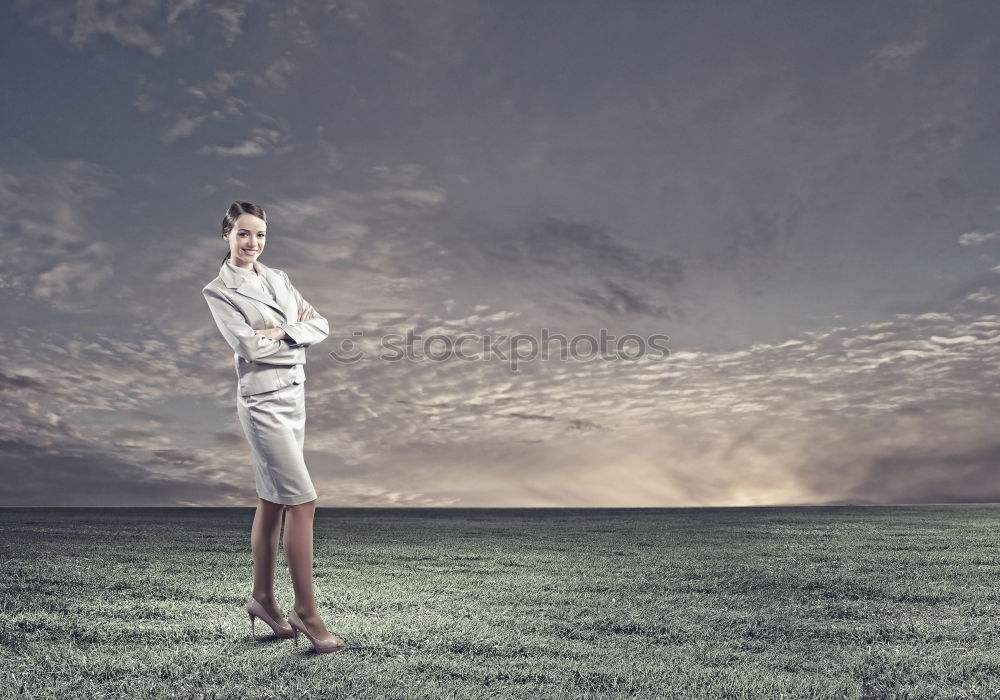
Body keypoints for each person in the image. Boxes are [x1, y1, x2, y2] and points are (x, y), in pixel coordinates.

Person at [202, 200, 345, 653]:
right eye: (243, 234)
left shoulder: (279, 278)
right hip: (262, 402)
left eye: (260, 235)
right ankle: (307, 612)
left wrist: (280, 333)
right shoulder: (219, 291)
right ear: (227, 234)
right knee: (303, 501)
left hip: (294, 396)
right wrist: (288, 334)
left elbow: (320, 324)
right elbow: (248, 347)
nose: (253, 243)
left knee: (272, 501)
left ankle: (262, 598)